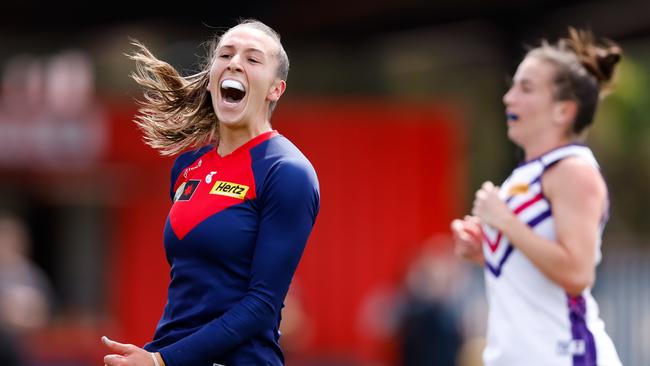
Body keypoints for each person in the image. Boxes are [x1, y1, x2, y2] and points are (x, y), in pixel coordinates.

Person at [102, 19, 320, 366]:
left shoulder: (287, 172)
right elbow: (191, 294)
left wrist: (162, 360)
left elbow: (262, 305)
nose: (234, 62)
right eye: (226, 54)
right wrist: (154, 353)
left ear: (275, 89)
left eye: (252, 59)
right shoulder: (188, 166)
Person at [451, 28, 623, 366]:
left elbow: (577, 273)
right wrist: (485, 250)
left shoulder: (573, 170)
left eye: (525, 88)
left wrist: (504, 222)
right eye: (513, 85)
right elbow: (536, 278)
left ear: (563, 111)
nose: (508, 98)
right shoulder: (528, 175)